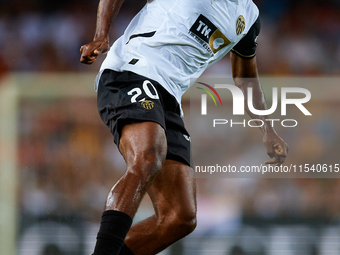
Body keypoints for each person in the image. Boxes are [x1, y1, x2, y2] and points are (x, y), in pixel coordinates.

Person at [80, 0, 288, 254]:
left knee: (179, 217)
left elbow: (245, 77)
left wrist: (267, 129)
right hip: (133, 69)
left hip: (169, 97)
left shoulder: (249, 15)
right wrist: (101, 34)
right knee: (147, 156)